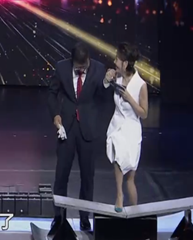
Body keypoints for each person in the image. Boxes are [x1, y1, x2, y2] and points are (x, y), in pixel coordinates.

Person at [47, 42, 116, 230]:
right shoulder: (61, 67)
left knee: (87, 178)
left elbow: (103, 97)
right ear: (72, 62)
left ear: (88, 60)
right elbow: (52, 93)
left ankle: (85, 219)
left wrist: (106, 83)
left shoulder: (99, 69)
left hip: (88, 129)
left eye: (84, 67)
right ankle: (59, 218)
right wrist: (55, 115)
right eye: (78, 68)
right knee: (61, 176)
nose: (81, 70)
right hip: (67, 128)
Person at [106, 43, 148, 212]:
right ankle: (119, 195)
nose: (115, 61)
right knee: (118, 152)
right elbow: (104, 85)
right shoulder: (116, 77)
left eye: (118, 59)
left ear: (125, 63)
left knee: (130, 177)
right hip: (117, 126)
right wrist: (107, 78)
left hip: (132, 128)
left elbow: (144, 113)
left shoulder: (140, 85)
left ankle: (135, 211)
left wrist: (130, 98)